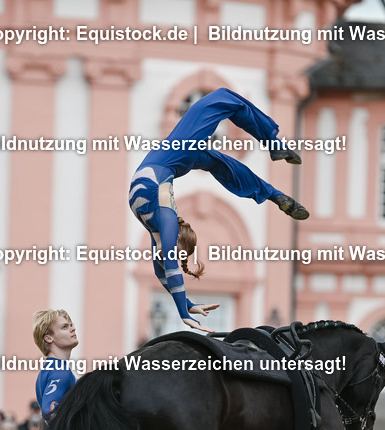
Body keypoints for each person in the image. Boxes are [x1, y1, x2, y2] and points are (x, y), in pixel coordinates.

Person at [128, 87, 309, 333]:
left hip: (174, 157)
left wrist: (183, 310)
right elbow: (163, 270)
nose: (174, 250)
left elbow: (166, 268)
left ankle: (273, 146)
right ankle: (275, 193)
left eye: (180, 248)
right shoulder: (158, 227)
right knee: (223, 164)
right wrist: (187, 304)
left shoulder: (163, 224)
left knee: (220, 98)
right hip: (174, 164)